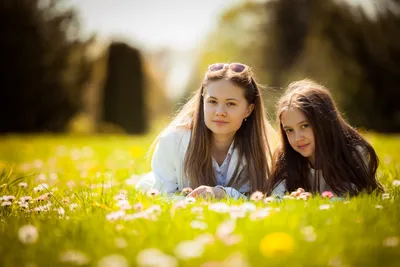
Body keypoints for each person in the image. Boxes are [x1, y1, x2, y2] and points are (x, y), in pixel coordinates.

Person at [135, 63, 276, 199]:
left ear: (248, 110)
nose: (220, 112)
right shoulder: (173, 140)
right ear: (203, 102)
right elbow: (163, 196)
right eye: (212, 102)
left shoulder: (258, 147)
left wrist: (222, 194)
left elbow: (262, 199)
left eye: (231, 104)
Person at [267, 79, 383, 197]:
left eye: (305, 126)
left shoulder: (353, 153)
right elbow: (276, 196)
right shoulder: (286, 158)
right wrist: (290, 198)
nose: (297, 138)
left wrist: (311, 200)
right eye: (289, 130)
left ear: (324, 121)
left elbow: (352, 195)